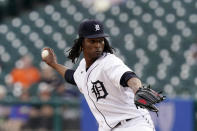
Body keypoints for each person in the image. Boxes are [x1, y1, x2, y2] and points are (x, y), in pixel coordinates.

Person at [42, 19, 155, 131]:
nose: (98, 45)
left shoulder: (109, 62)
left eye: (100, 40)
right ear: (82, 43)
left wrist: (137, 89)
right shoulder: (83, 67)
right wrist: (53, 64)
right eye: (92, 41)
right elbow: (72, 77)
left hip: (133, 124)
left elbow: (129, 77)